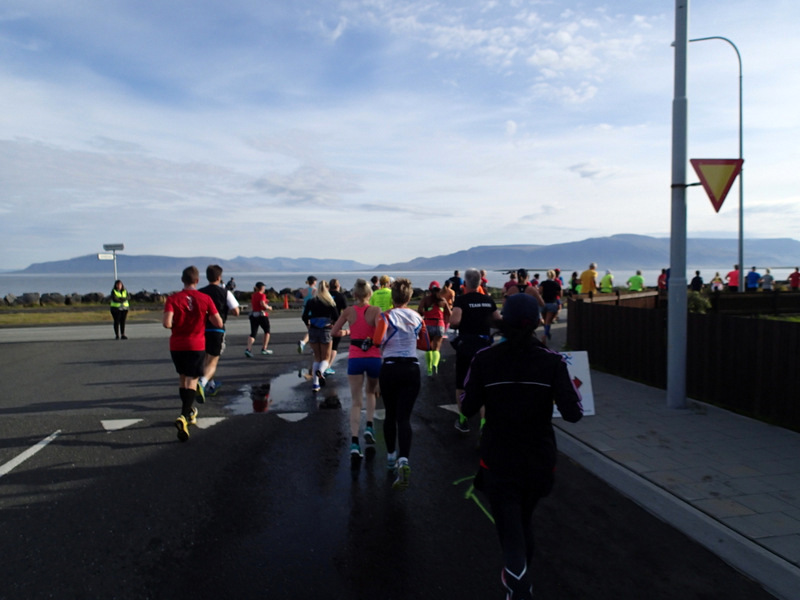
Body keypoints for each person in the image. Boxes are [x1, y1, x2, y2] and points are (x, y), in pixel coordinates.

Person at [459, 293, 583, 600]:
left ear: (503, 321)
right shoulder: (552, 362)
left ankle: (518, 585)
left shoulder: (484, 359)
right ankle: (520, 578)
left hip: (498, 460)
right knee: (523, 519)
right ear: (538, 323)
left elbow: (467, 407)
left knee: (510, 528)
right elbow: (574, 413)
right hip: (539, 461)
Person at [371, 278, 429, 488]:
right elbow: (425, 344)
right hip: (411, 368)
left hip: (391, 368)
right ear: (409, 297)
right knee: (404, 418)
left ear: (392, 297)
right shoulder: (417, 317)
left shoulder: (386, 316)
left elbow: (377, 341)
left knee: (390, 415)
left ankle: (389, 457)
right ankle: (404, 459)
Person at [163, 266, 223, 442]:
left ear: (182, 280)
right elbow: (218, 322)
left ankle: (189, 412)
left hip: (177, 344)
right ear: (197, 281)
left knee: (183, 378)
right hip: (196, 343)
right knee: (192, 380)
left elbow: (167, 323)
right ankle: (183, 415)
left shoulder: (172, 299)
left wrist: (178, 322)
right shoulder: (205, 299)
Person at [331, 279, 380, 458]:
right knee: (371, 393)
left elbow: (333, 332)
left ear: (354, 294)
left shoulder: (348, 312)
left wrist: (347, 332)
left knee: (356, 401)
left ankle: (354, 443)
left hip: (355, 358)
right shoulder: (376, 311)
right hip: (374, 357)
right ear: (369, 294)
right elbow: (382, 332)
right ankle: (369, 426)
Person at [450, 268, 502, 433]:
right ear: (480, 282)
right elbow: (499, 321)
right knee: (484, 384)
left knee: (461, 384)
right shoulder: (488, 300)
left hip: (466, 345)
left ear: (465, 283)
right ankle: (483, 423)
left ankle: (463, 420)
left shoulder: (462, 300)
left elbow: (454, 322)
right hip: (484, 346)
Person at [198, 265, 240, 397]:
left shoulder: (200, 292)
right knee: (213, 360)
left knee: (206, 358)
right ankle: (202, 382)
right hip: (217, 328)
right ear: (219, 277)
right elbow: (236, 311)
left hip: (201, 329)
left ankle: (211, 384)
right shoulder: (225, 292)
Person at [302, 280, 340, 392]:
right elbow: (337, 317)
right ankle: (321, 372)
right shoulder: (329, 302)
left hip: (313, 330)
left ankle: (315, 384)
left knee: (317, 358)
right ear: (327, 288)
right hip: (326, 330)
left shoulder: (311, 301)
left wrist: (308, 325)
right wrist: (332, 324)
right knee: (326, 358)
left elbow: (304, 316)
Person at [417, 281, 451, 375]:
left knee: (428, 348)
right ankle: (435, 364)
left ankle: (429, 368)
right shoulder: (443, 300)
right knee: (436, 348)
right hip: (439, 325)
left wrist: (426, 314)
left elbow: (419, 310)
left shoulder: (426, 299)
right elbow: (449, 313)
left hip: (428, 324)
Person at [245, 282, 273, 357]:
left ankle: (248, 349)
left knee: (253, 333)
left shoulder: (253, 295)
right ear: (262, 288)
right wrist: (269, 307)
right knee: (267, 331)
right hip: (262, 315)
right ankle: (264, 348)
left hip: (254, 315)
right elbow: (262, 303)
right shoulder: (262, 295)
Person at [327, 278, 349, 375]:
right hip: (336, 322)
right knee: (334, 347)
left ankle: (321, 365)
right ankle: (328, 366)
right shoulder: (341, 296)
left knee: (325, 345)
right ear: (338, 286)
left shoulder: (325, 295)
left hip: (324, 322)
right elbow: (346, 310)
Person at [538, 270, 561, 344]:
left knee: (545, 321)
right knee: (548, 321)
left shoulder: (543, 283)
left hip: (543, 303)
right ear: (554, 275)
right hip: (552, 303)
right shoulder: (556, 284)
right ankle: (545, 335)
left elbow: (539, 292)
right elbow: (560, 294)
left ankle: (547, 333)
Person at [297, 276, 317, 354]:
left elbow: (296, 299)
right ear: (314, 282)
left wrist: (304, 300)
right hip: (313, 312)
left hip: (304, 312)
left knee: (310, 331)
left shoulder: (303, 291)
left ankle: (312, 348)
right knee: (312, 331)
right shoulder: (315, 290)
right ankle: (304, 342)